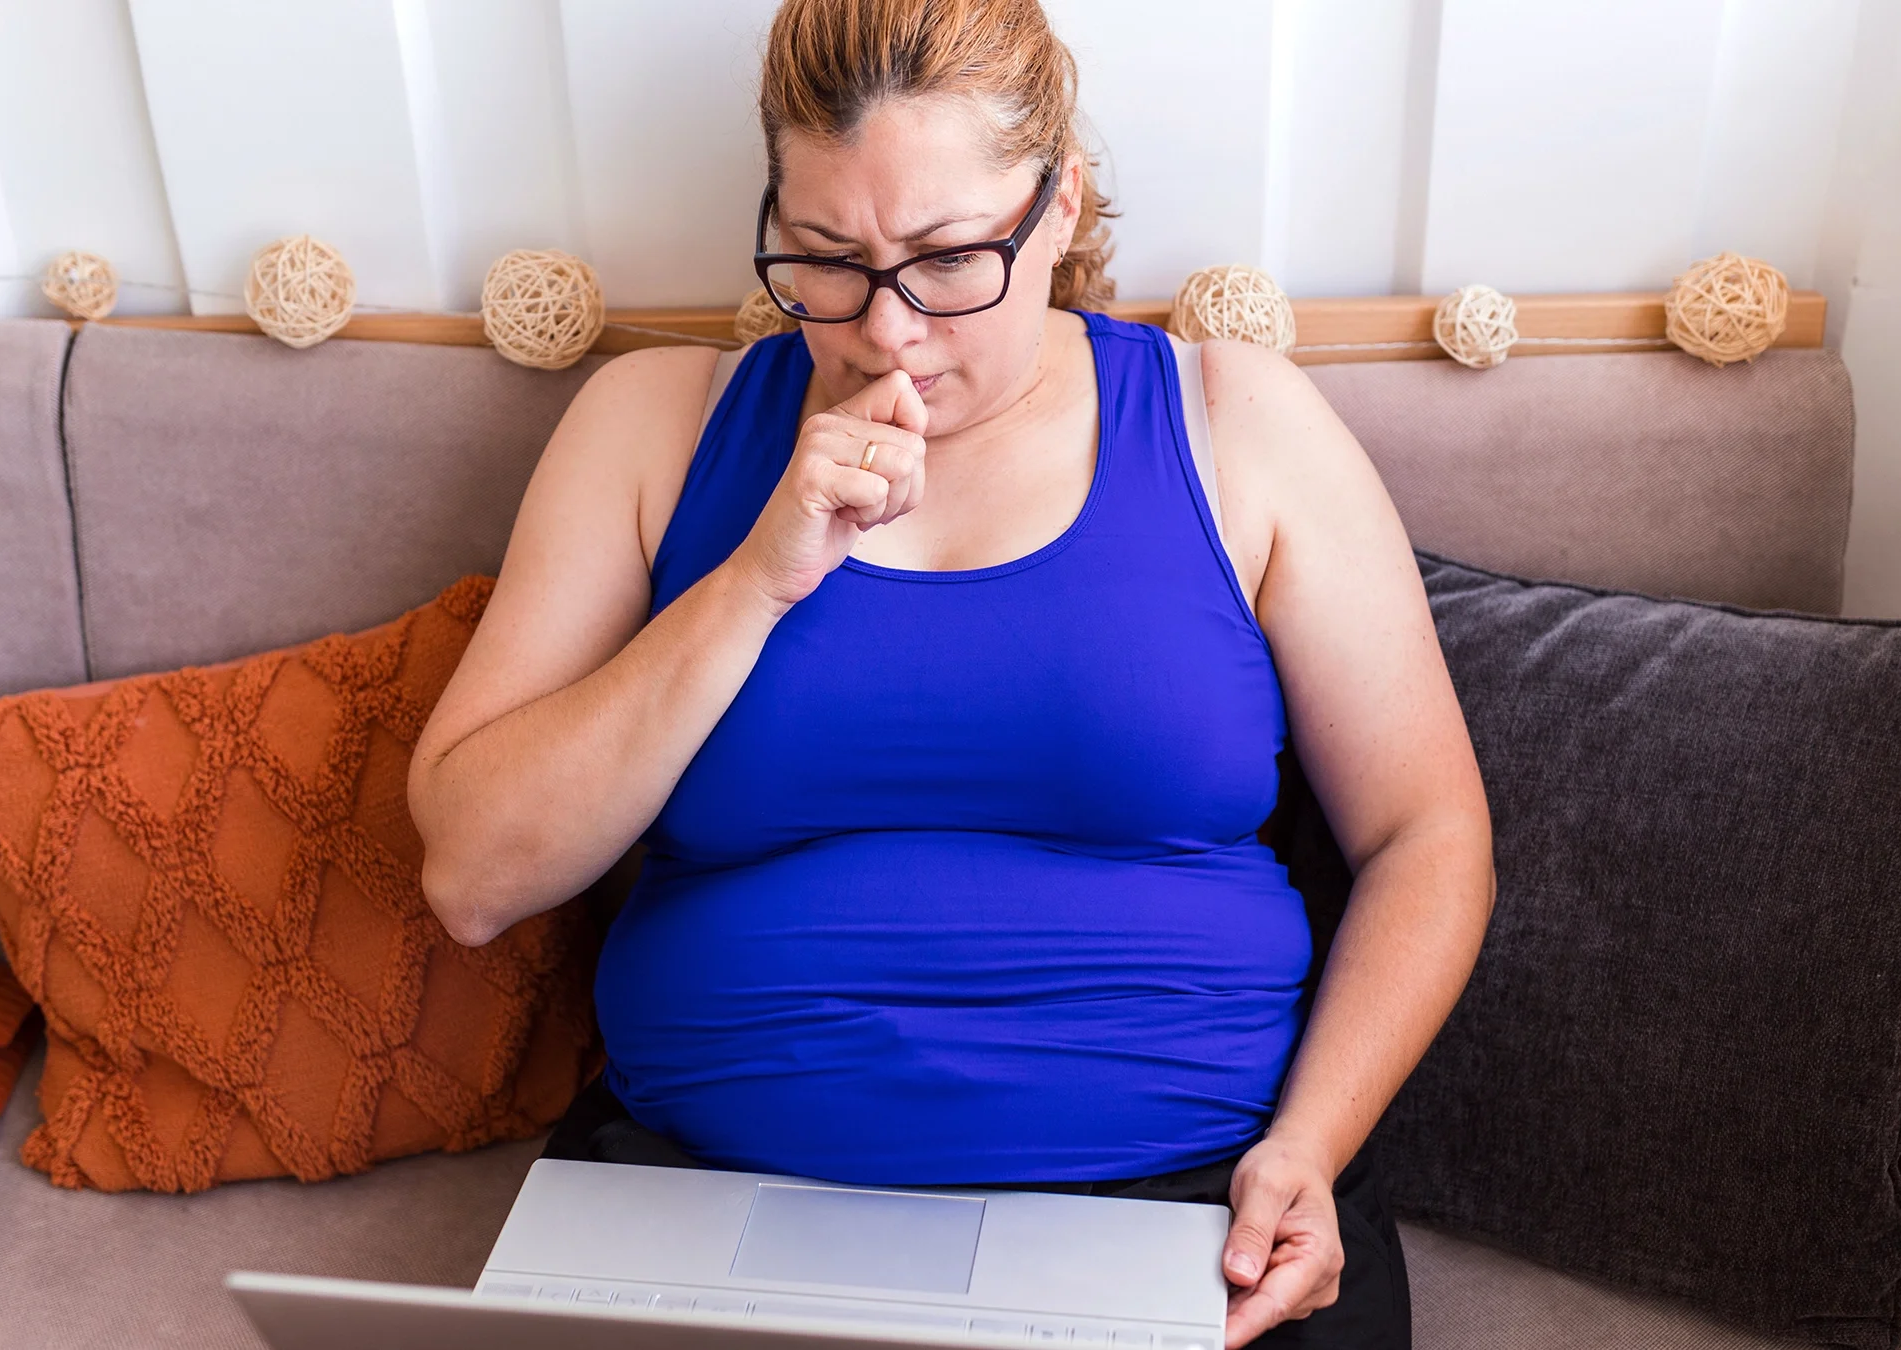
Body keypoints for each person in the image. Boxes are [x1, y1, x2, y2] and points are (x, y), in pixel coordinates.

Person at [409, 1, 1494, 1344]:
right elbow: (470, 874)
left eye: (946, 259)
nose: (888, 329)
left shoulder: (1238, 427)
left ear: (1061, 205)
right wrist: (756, 580)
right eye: (827, 261)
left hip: (1184, 1195)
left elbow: (1428, 835)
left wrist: (1311, 1149)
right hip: (711, 1186)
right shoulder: (655, 429)